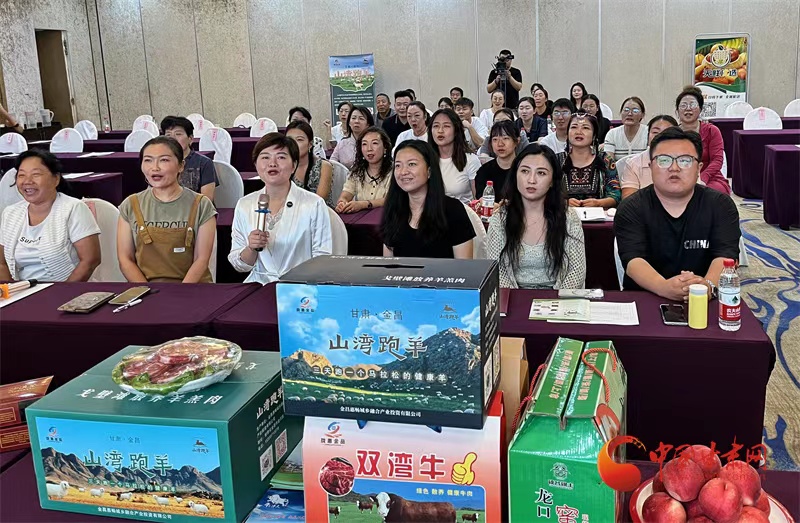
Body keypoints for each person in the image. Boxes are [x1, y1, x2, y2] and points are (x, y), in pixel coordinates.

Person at [615, 127, 740, 300]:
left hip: (707, 298)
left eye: (685, 161)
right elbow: (632, 260)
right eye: (664, 160)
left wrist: (707, 287)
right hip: (645, 298)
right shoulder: (631, 207)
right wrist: (664, 287)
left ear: (699, 168)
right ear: (651, 166)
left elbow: (725, 255)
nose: (674, 168)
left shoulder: (721, 205)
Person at [229, 132, 332, 284]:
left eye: (281, 157)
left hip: (300, 287)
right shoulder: (245, 204)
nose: (272, 163)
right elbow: (239, 265)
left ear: (294, 165)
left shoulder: (313, 204)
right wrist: (251, 248)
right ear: (256, 164)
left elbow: (322, 258)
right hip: (258, 285)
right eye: (265, 157)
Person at [117, 137, 216, 283]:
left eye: (164, 160)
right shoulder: (130, 204)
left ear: (181, 166)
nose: (155, 168)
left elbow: (201, 260)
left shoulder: (202, 204)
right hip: (145, 290)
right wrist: (148, 291)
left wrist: (177, 293)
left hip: (192, 288)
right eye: (148, 160)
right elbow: (125, 260)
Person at [487, 144, 586, 289]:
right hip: (513, 297)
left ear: (552, 181)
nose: (531, 180)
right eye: (525, 171)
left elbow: (576, 271)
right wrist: (516, 298)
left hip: (558, 297)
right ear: (515, 175)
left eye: (541, 173)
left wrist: (557, 300)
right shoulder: (500, 218)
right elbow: (498, 271)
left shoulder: (569, 218)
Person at [0, 150, 100, 282]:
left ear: (56, 179)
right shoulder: (10, 213)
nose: (27, 181)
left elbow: (90, 261)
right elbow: (1, 264)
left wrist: (63, 291)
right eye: (21, 175)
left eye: (36, 175)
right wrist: (11, 290)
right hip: (22, 290)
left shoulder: (73, 208)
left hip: (68, 289)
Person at [382, 140, 475, 259]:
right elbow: (388, 263)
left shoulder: (453, 210)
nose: (403, 172)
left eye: (412, 164)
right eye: (398, 165)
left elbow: (464, 267)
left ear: (429, 171)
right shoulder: (393, 209)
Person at [675, 86, 731, 195]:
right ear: (677, 111)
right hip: (679, 176)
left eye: (693, 105)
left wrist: (703, 178)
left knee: (713, 194)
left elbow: (717, 160)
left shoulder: (712, 130)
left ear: (700, 109)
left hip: (709, 177)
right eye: (683, 105)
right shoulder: (672, 133)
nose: (688, 109)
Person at [558, 113, 620, 208]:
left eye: (585, 128)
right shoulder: (557, 160)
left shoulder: (605, 160)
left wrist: (598, 203)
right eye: (574, 127)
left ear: (594, 135)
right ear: (567, 133)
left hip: (598, 214)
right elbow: (546, 194)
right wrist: (563, 203)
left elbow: (616, 196)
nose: (579, 132)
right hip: (563, 215)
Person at [428, 109, 482, 204]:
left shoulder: (470, 160)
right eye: (436, 126)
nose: (440, 131)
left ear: (456, 130)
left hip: (462, 211)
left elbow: (478, 201)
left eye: (446, 126)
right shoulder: (425, 159)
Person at [160, 116, 218, 202]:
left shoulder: (204, 163)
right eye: (168, 135)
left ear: (190, 139)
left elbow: (207, 200)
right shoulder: (160, 163)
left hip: (196, 208)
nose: (172, 138)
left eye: (178, 134)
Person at [336, 127, 393, 213]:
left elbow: (391, 199)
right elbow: (346, 195)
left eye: (374, 143)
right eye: (364, 144)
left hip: (387, 217)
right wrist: (342, 203)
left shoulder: (395, 171)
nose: (369, 149)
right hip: (362, 219)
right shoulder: (357, 171)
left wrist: (364, 204)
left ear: (385, 148)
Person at [621, 115, 678, 199]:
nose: (660, 136)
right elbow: (628, 199)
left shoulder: (687, 161)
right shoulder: (633, 163)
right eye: (655, 132)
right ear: (648, 136)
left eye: (667, 132)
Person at [286, 120, 334, 207]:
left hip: (319, 212)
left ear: (310, 144)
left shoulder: (324, 166)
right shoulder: (283, 166)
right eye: (289, 140)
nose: (293, 144)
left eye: (299, 140)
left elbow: (319, 200)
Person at [475, 120, 519, 198]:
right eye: (495, 139)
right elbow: (481, 198)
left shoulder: (524, 170)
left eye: (505, 138)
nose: (500, 144)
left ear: (517, 141)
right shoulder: (484, 171)